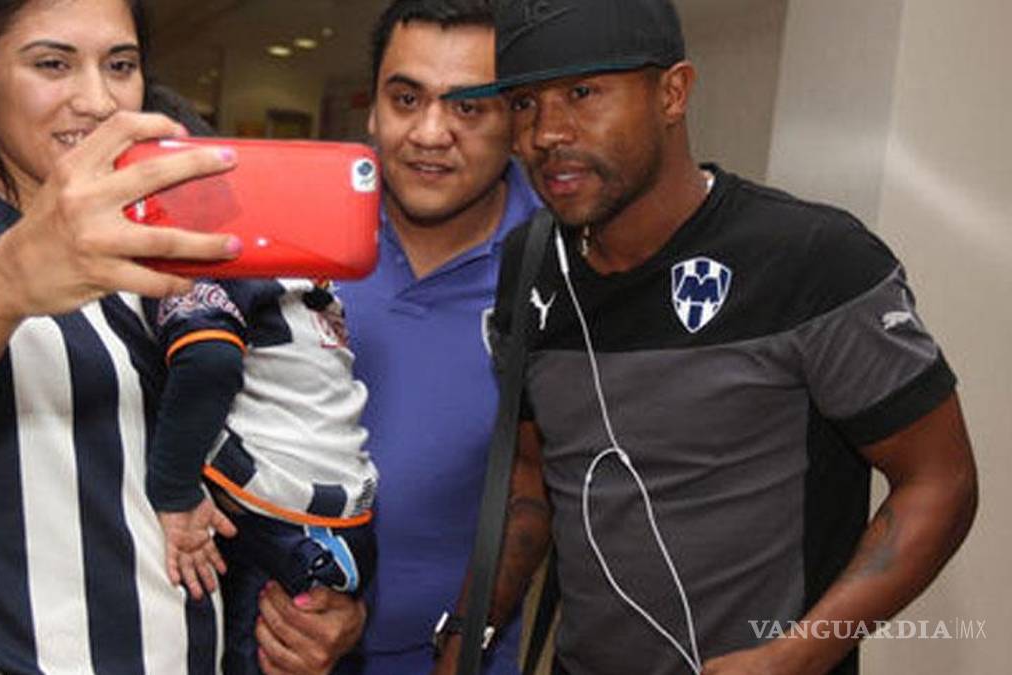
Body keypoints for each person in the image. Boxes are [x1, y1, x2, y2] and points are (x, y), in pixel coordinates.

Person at [435, 1, 980, 674]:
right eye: (523, 103)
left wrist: (795, 656)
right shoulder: (531, 266)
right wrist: (467, 633)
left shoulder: (813, 260)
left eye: (582, 93)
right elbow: (531, 479)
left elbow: (940, 481)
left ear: (673, 92)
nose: (545, 133)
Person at [0, 1, 354, 672]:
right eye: (52, 64)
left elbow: (293, 427)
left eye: (120, 66)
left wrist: (323, 603)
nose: (96, 100)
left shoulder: (190, 240)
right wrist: (10, 278)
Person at [333, 1, 541, 673]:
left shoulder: (562, 268)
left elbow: (551, 489)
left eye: (468, 108)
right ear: (373, 110)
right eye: (405, 99)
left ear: (517, 120)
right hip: (267, 643)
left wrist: (466, 639)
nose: (429, 133)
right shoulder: (298, 237)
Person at [141, 92, 379, 675]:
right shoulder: (291, 258)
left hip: (279, 510)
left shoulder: (207, 260)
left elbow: (210, 361)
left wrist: (172, 490)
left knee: (260, 652)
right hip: (344, 504)